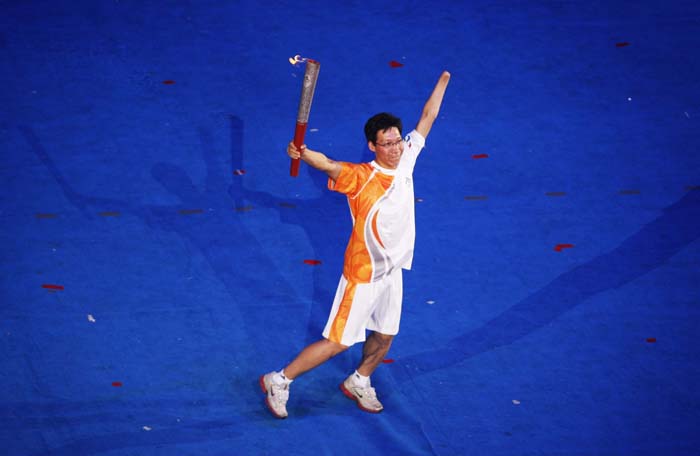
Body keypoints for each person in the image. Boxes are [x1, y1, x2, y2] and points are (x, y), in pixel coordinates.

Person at [260, 71, 451, 419]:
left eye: (397, 142)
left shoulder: (406, 158)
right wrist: (302, 153)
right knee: (338, 342)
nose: (395, 149)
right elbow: (329, 165)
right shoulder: (361, 178)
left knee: (385, 336)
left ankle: (359, 380)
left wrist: (443, 80)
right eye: (387, 144)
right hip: (362, 273)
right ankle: (279, 379)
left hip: (392, 272)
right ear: (372, 147)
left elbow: (428, 116)